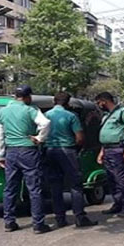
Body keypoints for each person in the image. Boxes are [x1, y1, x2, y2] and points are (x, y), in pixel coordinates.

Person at [0, 85, 52, 234]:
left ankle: (9, 222)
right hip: (28, 151)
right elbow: (46, 123)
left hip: (11, 152)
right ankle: (38, 224)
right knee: (34, 188)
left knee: (10, 188)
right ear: (28, 97)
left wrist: (0, 155)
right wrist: (40, 138)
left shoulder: (3, 111)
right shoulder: (30, 109)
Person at [44, 92, 98, 228]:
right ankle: (79, 217)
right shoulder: (71, 116)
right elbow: (80, 138)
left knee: (55, 185)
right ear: (68, 103)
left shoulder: (46, 115)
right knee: (76, 185)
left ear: (54, 102)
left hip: (50, 151)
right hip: (67, 151)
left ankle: (60, 218)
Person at [95, 92, 124, 218]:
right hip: (107, 149)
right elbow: (105, 135)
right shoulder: (106, 115)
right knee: (111, 179)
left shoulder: (123, 112)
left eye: (99, 103)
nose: (98, 105)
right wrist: (102, 152)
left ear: (104, 101)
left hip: (118, 149)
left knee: (122, 180)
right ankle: (118, 204)